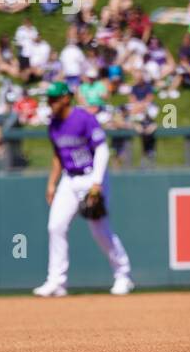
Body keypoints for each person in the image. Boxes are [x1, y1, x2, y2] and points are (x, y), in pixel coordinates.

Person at [33, 81, 134, 297]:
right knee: (55, 226)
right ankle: (57, 282)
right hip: (69, 180)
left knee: (100, 231)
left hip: (91, 176)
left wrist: (97, 182)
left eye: (54, 99)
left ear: (66, 98)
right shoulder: (53, 124)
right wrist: (52, 183)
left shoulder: (83, 118)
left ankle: (123, 275)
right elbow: (58, 156)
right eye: (49, 99)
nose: (50, 103)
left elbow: (102, 150)